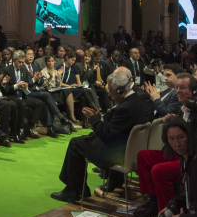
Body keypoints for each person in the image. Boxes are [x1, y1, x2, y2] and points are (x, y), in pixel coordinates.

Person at [50, 70, 153, 202]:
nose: (109, 94)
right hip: (129, 149)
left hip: (117, 153)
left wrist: (93, 119)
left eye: (111, 90)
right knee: (83, 140)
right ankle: (83, 187)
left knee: (75, 144)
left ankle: (74, 190)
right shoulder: (136, 100)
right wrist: (99, 118)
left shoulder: (125, 107)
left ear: (121, 90)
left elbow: (107, 133)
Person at [135, 74, 197, 217]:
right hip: (177, 154)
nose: (178, 91)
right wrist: (170, 125)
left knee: (159, 170)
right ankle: (153, 202)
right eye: (177, 88)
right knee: (143, 156)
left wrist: (179, 128)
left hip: (192, 161)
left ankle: (168, 213)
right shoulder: (181, 109)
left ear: (194, 91)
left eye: (182, 88)